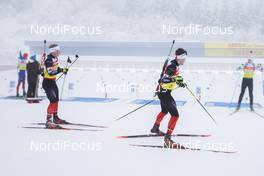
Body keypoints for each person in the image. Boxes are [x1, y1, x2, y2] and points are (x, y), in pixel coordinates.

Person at [150, 48, 187, 148]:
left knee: (164, 111)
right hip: (165, 93)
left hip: (163, 92)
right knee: (175, 115)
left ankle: (155, 128)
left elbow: (170, 78)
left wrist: (180, 82)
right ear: (179, 57)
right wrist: (177, 80)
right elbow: (165, 79)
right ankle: (167, 138)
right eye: (184, 57)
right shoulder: (173, 66)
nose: (185, 60)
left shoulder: (174, 65)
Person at [42, 44, 69, 128]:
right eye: (57, 51)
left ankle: (55, 118)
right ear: (53, 51)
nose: (59, 52)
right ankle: (48, 121)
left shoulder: (55, 58)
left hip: (53, 82)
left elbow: (55, 69)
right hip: (47, 83)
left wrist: (61, 69)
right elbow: (50, 73)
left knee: (56, 100)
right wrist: (61, 71)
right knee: (53, 100)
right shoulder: (49, 60)